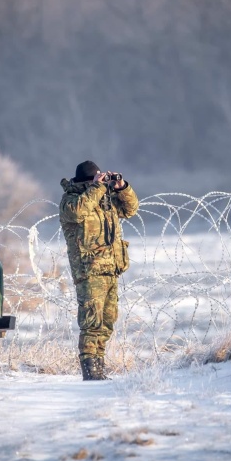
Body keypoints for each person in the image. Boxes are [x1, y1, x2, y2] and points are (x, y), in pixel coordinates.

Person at [59, 160, 139, 380]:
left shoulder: (104, 200)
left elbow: (131, 209)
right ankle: (90, 372)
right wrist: (97, 187)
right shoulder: (71, 200)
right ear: (87, 182)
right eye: (96, 179)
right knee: (91, 322)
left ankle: (99, 369)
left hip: (111, 269)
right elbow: (77, 213)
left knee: (107, 322)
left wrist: (122, 187)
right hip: (89, 270)